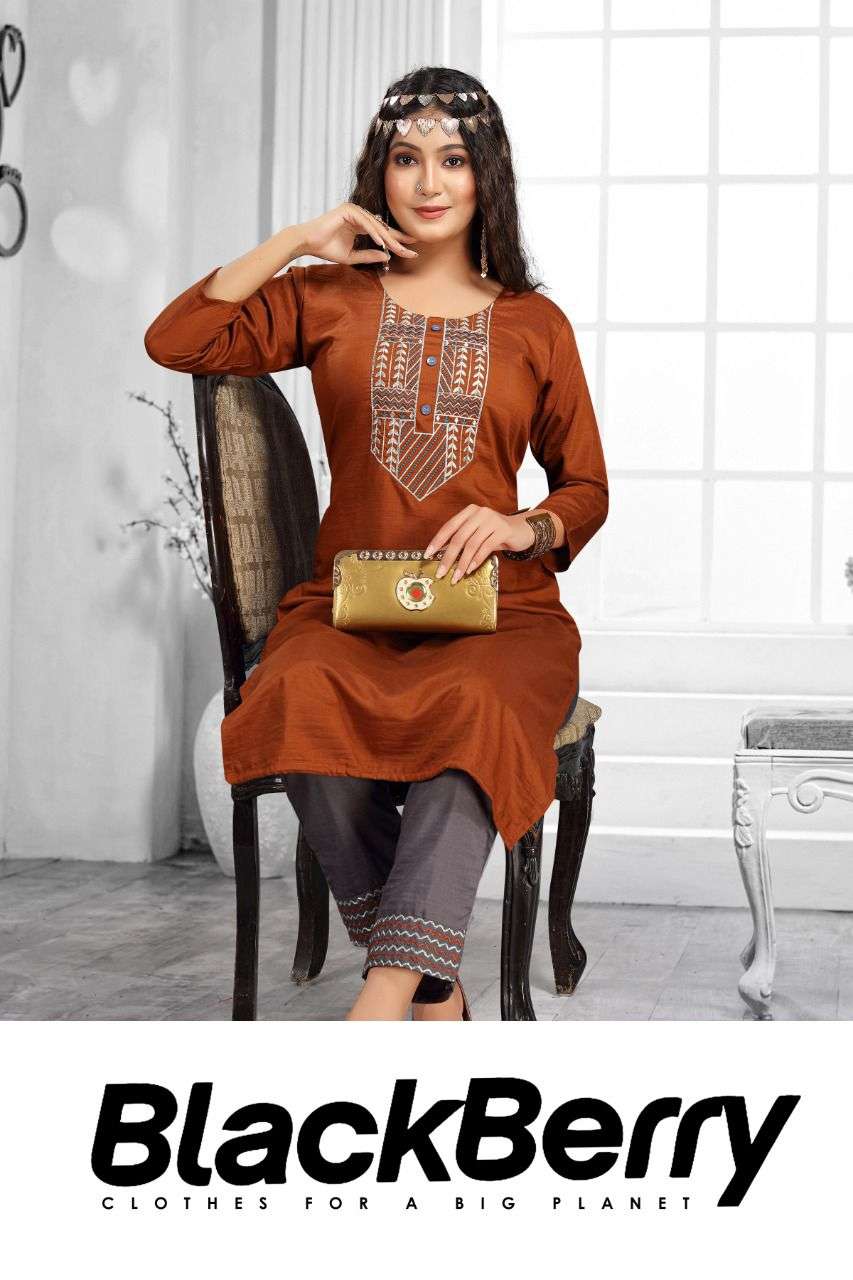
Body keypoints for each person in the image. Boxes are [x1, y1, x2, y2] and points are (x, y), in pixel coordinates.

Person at [143, 66, 609, 1022]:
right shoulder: (325, 298)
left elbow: (586, 489)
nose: (429, 183)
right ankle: (432, 986)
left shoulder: (535, 324)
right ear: (378, 175)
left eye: (453, 160)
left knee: (475, 713)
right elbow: (176, 339)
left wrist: (521, 525)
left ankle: (386, 995)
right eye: (406, 159)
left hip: (499, 616)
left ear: (486, 175)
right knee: (295, 697)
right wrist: (296, 241)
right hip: (347, 607)